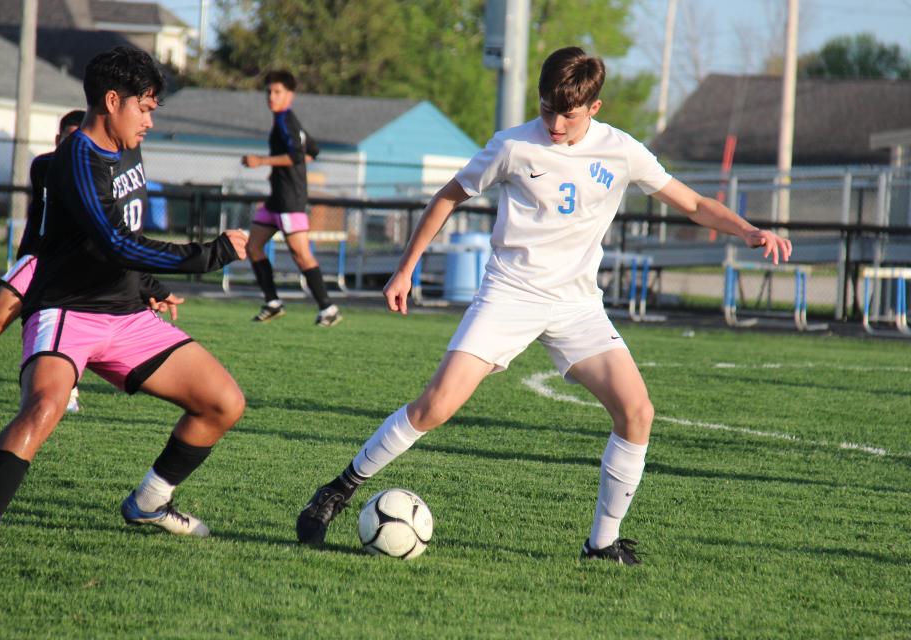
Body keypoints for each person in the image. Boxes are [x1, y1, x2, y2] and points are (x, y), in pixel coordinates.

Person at [295, 47, 792, 564]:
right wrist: (405, 267)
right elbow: (447, 196)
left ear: (594, 108)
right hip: (510, 294)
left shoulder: (621, 151)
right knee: (435, 406)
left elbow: (691, 203)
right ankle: (338, 489)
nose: (554, 123)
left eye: (568, 114)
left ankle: (600, 543)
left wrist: (749, 230)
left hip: (577, 306)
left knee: (637, 412)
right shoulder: (512, 145)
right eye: (547, 109)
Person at [0, 46, 248, 547]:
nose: (150, 120)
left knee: (223, 402)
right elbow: (113, 241)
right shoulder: (76, 162)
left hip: (126, 313)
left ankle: (149, 503)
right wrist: (207, 255)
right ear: (112, 101)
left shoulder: (127, 144)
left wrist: (148, 287)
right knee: (44, 407)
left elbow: (124, 231)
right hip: (68, 310)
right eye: (145, 107)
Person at [0, 110, 85, 409]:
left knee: (65, 329)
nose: (73, 146)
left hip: (74, 266)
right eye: (68, 139)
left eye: (80, 140)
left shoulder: (98, 169)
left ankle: (68, 389)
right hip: (38, 259)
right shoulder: (44, 165)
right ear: (57, 140)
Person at [241, 69, 342, 327]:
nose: (271, 97)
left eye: (277, 92)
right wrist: (283, 174)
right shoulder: (282, 121)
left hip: (290, 201)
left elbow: (297, 155)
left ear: (290, 96)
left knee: (300, 254)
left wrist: (262, 161)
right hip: (276, 198)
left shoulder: (287, 121)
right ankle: (273, 302)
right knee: (253, 247)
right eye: (269, 92)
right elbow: (312, 150)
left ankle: (328, 308)